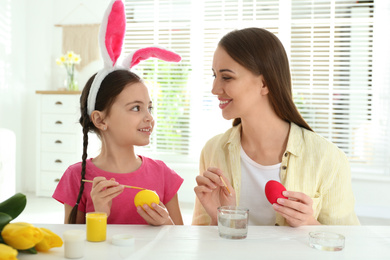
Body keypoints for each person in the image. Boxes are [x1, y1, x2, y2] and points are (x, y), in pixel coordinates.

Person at [192, 27, 360, 227]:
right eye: (214, 76)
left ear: (264, 83)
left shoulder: (327, 158)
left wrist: (308, 224)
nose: (214, 89)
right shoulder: (213, 151)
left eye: (226, 77)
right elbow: (202, 245)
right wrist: (216, 220)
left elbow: (348, 245)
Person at [53, 0, 183, 225]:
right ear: (100, 119)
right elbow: (73, 245)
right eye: (135, 108)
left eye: (149, 108)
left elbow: (180, 241)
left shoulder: (163, 174)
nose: (149, 117)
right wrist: (98, 215)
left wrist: (168, 226)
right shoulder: (77, 178)